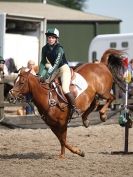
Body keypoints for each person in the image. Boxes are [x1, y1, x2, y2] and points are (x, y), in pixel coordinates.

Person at [38, 28, 80, 115]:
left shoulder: (59, 49)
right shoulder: (44, 48)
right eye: (49, 37)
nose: (50, 39)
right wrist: (40, 74)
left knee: (65, 89)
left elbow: (56, 64)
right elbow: (43, 62)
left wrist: (47, 74)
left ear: (56, 39)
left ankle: (74, 107)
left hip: (64, 69)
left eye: (53, 37)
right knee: (45, 85)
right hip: (55, 70)